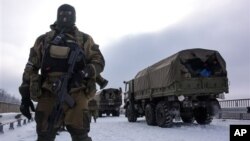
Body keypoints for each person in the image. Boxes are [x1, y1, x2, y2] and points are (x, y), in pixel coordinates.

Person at [19, 4, 105, 141]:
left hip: (77, 92)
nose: (65, 17)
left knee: (80, 136)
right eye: (63, 14)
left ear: (74, 17)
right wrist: (25, 96)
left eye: (69, 14)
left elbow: (99, 61)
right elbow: (31, 67)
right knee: (44, 136)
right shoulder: (43, 40)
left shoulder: (84, 39)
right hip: (48, 92)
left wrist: (83, 73)